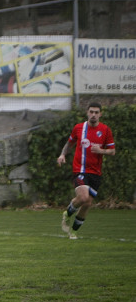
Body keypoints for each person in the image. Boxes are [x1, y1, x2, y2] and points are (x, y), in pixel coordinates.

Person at [56, 102, 115, 239]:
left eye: (96, 112)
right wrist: (62, 154)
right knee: (83, 197)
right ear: (87, 113)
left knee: (88, 203)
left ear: (100, 114)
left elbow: (112, 151)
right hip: (80, 169)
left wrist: (101, 150)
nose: (93, 115)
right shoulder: (79, 128)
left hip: (95, 173)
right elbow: (69, 143)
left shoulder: (105, 130)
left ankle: (74, 232)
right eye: (91, 112)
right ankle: (67, 213)